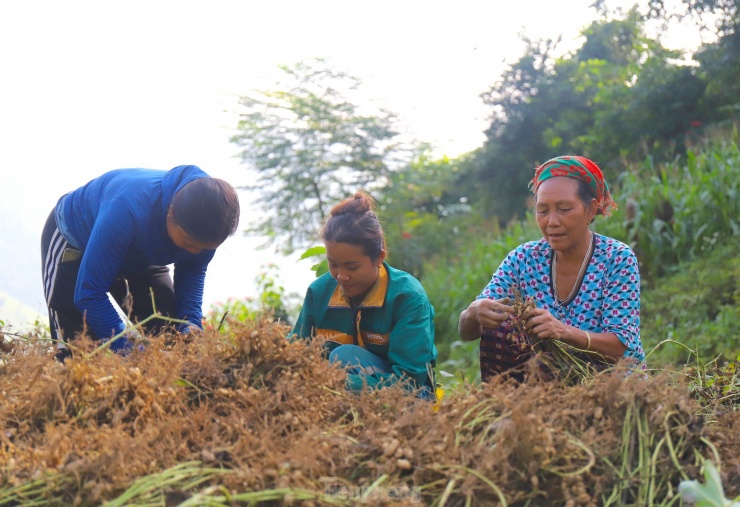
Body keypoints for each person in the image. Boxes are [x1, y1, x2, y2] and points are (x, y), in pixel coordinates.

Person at [458, 155, 645, 381]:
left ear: (590, 210)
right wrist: (474, 312)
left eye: (564, 209)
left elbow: (620, 347)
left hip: (608, 384)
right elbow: (467, 331)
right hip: (543, 384)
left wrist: (563, 331)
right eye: (543, 211)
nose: (552, 222)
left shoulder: (616, 258)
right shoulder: (523, 259)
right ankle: (507, 409)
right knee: (500, 326)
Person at [41, 165, 240, 359]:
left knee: (170, 332)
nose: (195, 252)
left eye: (204, 248)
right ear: (170, 213)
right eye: (189, 243)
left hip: (139, 256)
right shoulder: (126, 209)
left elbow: (192, 273)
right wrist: (135, 352)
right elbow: (89, 294)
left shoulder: (208, 225)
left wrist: (190, 323)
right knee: (78, 354)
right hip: (76, 242)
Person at [289, 192, 438, 395]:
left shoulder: (407, 297)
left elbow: (409, 382)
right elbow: (294, 350)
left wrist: (333, 381)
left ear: (379, 257)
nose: (341, 276)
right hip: (335, 393)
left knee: (343, 356)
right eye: (333, 264)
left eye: (352, 267)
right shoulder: (318, 292)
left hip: (409, 397)